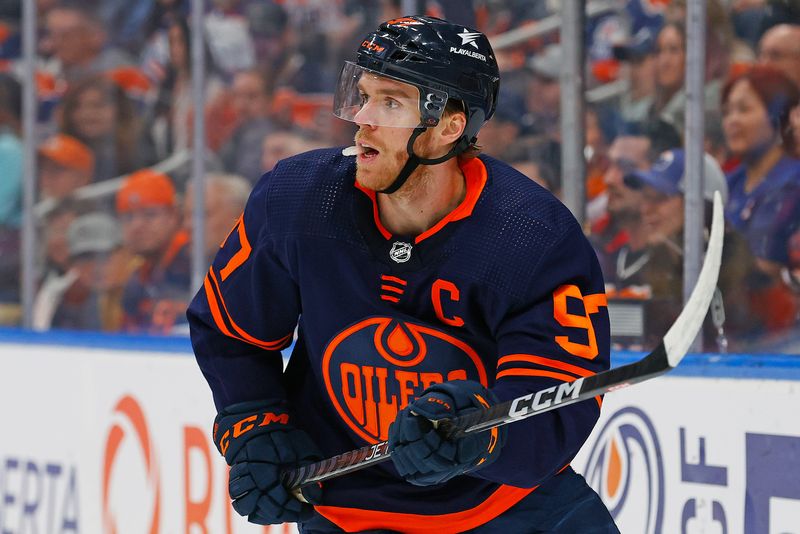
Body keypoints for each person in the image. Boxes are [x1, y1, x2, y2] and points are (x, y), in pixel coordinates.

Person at [188, 16, 618, 532]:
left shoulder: (530, 237)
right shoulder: (298, 202)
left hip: (504, 510)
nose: (362, 119)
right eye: (362, 95)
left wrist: (483, 429)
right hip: (348, 509)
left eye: (390, 102)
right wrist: (255, 426)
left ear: (449, 126)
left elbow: (554, 409)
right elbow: (229, 330)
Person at [721, 65, 800, 276]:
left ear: (779, 115)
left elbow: (770, 264)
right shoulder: (727, 183)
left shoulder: (795, 180)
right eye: (727, 112)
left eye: (743, 109)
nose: (732, 121)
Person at [116, 168, 190, 334]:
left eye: (150, 215)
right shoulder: (138, 277)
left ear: (174, 216)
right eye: (128, 217)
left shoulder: (197, 262)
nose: (136, 226)